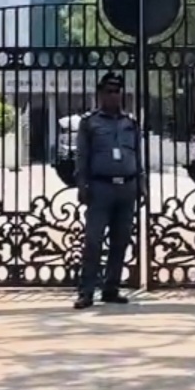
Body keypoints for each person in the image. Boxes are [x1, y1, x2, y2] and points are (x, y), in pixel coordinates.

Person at [73, 71, 141, 309]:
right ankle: (87, 291)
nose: (114, 96)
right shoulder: (90, 122)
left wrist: (140, 186)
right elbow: (82, 156)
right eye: (109, 91)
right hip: (100, 188)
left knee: (120, 241)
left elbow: (137, 155)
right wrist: (82, 184)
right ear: (100, 94)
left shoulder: (130, 123)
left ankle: (111, 288)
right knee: (93, 241)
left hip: (127, 187)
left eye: (117, 91)